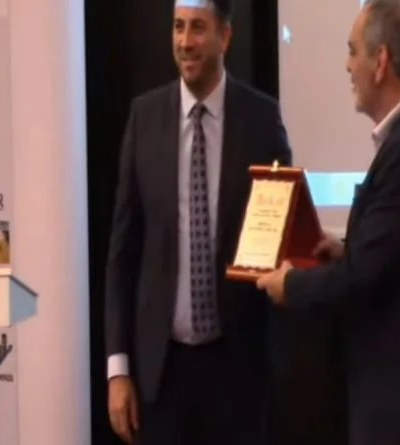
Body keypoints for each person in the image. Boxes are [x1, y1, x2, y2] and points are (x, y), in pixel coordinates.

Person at [256, 1, 400, 444]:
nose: (347, 65)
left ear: (381, 61)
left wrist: (290, 285)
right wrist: (344, 250)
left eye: (352, 50)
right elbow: (396, 258)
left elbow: (362, 278)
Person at [103, 0, 292, 443]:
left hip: (238, 370)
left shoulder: (261, 119)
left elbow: (283, 226)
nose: (185, 42)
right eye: (178, 27)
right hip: (160, 373)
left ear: (225, 36)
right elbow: (122, 254)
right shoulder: (144, 118)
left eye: (197, 28)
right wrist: (117, 369)